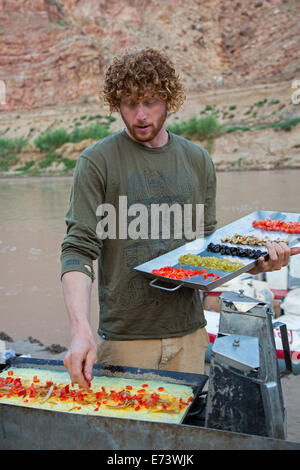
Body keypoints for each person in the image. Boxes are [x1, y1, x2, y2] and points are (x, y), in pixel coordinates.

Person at [60, 48, 298, 388]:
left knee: (183, 438)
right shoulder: (97, 161)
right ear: (116, 103)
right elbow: (78, 250)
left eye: (151, 102)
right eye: (129, 103)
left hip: (191, 336)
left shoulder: (198, 160)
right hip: (126, 341)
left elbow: (211, 253)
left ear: (169, 99)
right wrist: (80, 329)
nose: (140, 115)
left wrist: (254, 264)